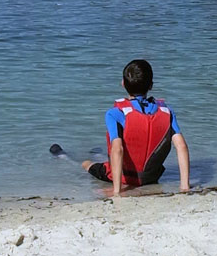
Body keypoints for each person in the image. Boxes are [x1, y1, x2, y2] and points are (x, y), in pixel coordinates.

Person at [81, 59, 190, 197]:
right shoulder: (166, 112)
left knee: (87, 164)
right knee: (104, 158)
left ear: (123, 83)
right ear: (151, 85)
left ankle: (67, 157)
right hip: (150, 178)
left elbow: (117, 149)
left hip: (123, 178)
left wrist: (117, 191)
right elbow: (181, 147)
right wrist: (184, 186)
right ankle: (98, 155)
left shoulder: (115, 113)